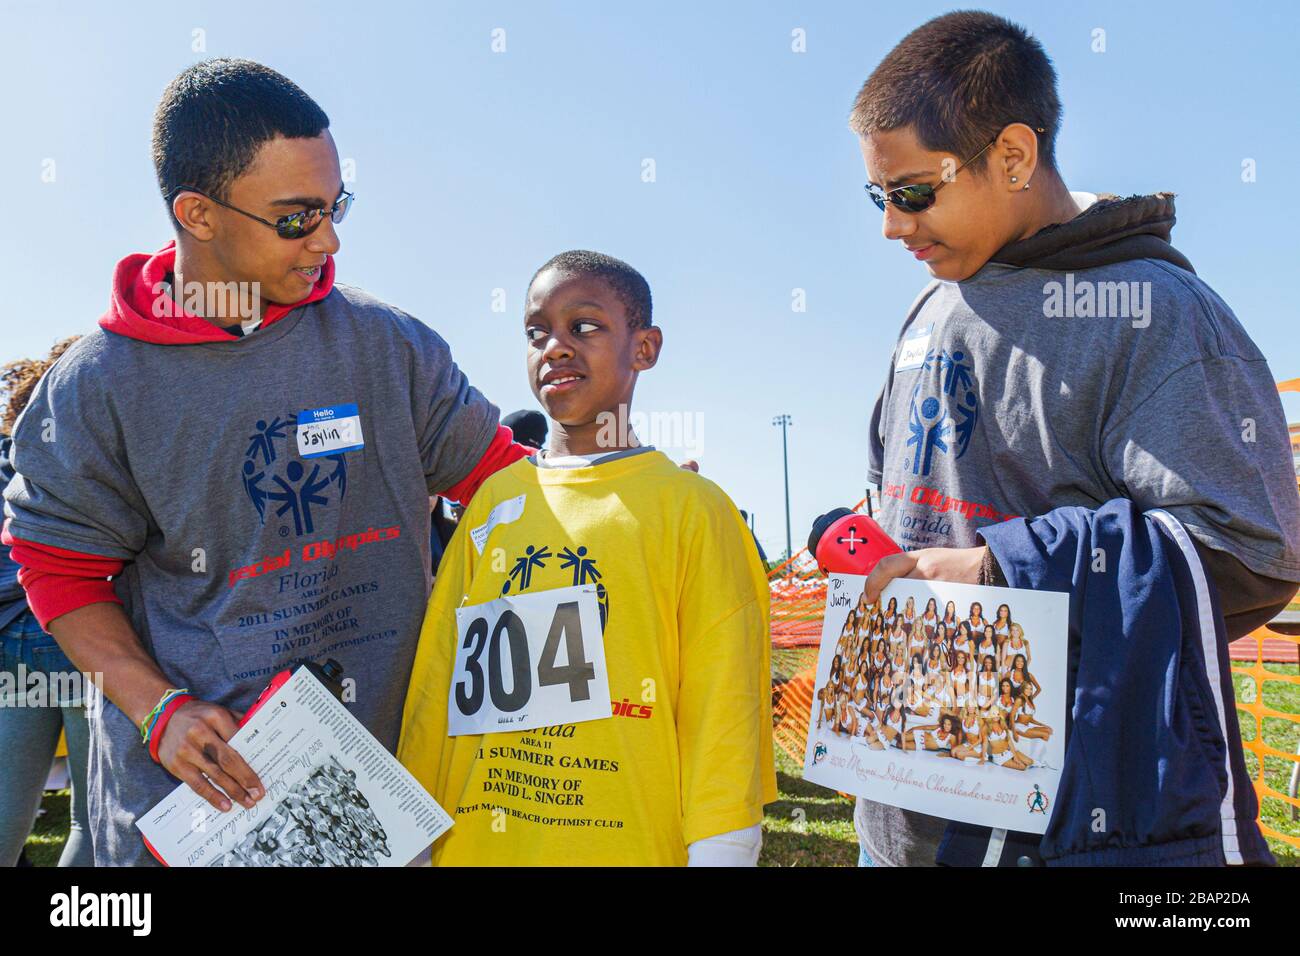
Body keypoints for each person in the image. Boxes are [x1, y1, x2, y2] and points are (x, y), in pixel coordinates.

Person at [0, 60, 535, 866]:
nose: (329, 240)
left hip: (378, 800)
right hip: (195, 813)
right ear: (198, 214)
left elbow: (502, 480)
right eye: (297, 219)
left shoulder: (389, 345)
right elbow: (59, 574)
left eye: (335, 206)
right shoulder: (97, 390)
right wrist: (161, 712)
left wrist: (638, 501)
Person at [849, 11, 1298, 866]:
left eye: (912, 192)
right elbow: (902, 502)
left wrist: (998, 570)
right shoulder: (929, 305)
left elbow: (1252, 549)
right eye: (878, 195)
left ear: (1013, 157)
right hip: (897, 817)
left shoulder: (1157, 316)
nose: (892, 226)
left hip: (1060, 828)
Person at [397, 250, 776, 866]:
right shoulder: (495, 501)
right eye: (537, 331)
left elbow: (723, 708)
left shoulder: (694, 510)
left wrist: (723, 851)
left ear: (645, 348)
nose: (556, 346)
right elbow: (440, 678)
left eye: (586, 327)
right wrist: (412, 833)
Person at [0, 339, 94, 867]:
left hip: (13, 639)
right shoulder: (83, 450)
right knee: (88, 817)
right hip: (80, 630)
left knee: (6, 809)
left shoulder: (8, 462)